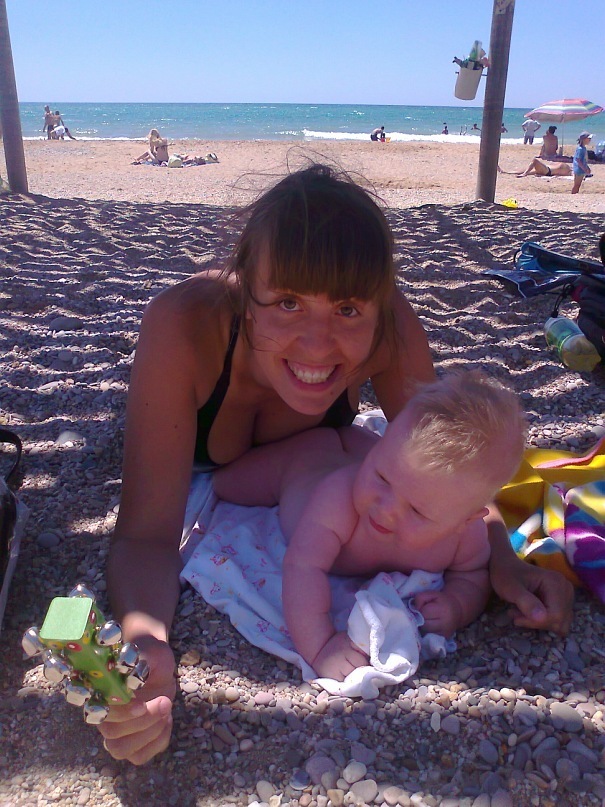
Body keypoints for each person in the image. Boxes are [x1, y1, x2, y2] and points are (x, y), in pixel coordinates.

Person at [98, 164, 573, 765]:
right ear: (246, 292)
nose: (318, 344)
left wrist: (504, 564)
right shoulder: (184, 328)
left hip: (317, 471)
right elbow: (147, 533)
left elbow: (448, 466)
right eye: (288, 303)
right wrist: (149, 647)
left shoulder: (389, 324)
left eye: (348, 309)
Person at [213, 371, 526, 680]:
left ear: (466, 519)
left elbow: (472, 574)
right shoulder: (338, 500)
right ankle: (346, 440)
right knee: (223, 484)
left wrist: (456, 606)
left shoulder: (466, 535)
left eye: (416, 510)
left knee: (363, 452)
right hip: (302, 466)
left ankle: (358, 447)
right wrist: (321, 647)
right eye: (381, 477)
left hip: (361, 454)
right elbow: (303, 566)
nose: (386, 510)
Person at [498, 159, 572, 178]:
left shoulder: (564, 166)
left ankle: (524, 174)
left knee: (535, 161)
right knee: (523, 171)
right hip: (547, 172)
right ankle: (504, 172)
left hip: (547, 170)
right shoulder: (565, 168)